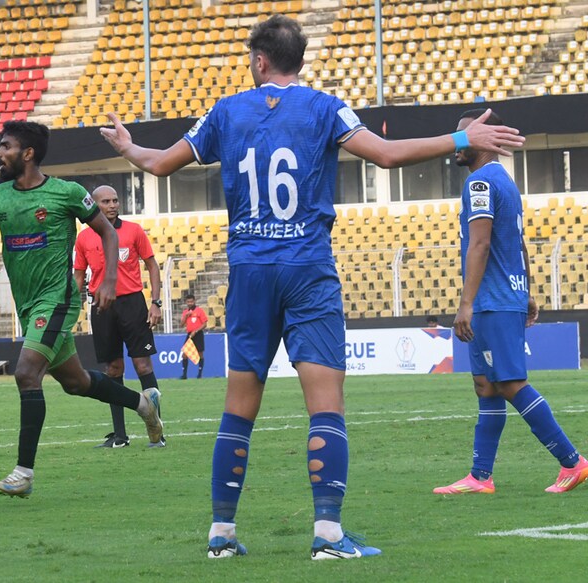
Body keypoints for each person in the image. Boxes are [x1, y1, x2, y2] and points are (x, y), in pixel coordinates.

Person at [100, 14, 525, 561]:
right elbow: (388, 155)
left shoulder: (227, 111)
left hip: (249, 270)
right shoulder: (326, 107)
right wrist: (464, 136)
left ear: (259, 60)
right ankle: (327, 535)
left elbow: (159, 165)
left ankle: (221, 534)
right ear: (299, 59)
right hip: (307, 268)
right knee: (325, 406)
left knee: (238, 407)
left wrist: (128, 147)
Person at [0, 120, 164, 499]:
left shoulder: (66, 193)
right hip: (29, 306)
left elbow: (106, 231)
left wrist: (106, 280)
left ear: (27, 154)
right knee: (76, 383)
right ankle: (143, 404)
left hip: (58, 299)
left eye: (5, 146)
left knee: (26, 373)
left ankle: (23, 473)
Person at [434, 109, 588, 496]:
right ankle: (480, 477)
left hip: (493, 300)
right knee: (486, 385)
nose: (457, 143)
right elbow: (516, 242)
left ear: (484, 141)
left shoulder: (480, 183)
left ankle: (573, 461)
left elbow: (482, 243)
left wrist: (465, 303)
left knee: (510, 383)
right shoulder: (504, 180)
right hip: (506, 294)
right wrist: (529, 290)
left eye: (463, 135)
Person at [73, 184, 164, 449]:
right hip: (102, 306)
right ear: (94, 204)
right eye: (106, 201)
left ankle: (157, 432)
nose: (113, 205)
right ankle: (120, 436)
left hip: (132, 304)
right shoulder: (84, 238)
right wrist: (67, 306)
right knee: (113, 369)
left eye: (115, 200)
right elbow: (79, 275)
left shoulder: (134, 231)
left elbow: (152, 265)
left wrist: (156, 302)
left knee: (143, 366)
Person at [179, 294, 208, 380]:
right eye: (188, 302)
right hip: (189, 334)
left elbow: (204, 324)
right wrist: (186, 316)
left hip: (198, 334)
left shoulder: (199, 311)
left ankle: (199, 374)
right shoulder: (185, 312)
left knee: (200, 354)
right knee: (184, 354)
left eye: (191, 301)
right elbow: (181, 325)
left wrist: (196, 331)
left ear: (194, 301)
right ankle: (184, 374)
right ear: (186, 302)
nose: (190, 303)